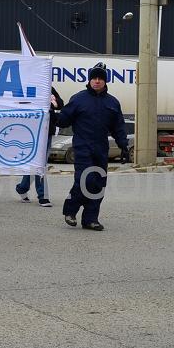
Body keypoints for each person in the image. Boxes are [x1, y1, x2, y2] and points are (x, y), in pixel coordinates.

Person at [57, 62, 129, 231]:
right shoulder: (78, 99)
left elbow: (118, 127)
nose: (97, 81)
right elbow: (64, 119)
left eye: (100, 78)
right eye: (94, 78)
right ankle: (70, 210)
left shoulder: (112, 103)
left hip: (101, 149)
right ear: (89, 80)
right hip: (82, 147)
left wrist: (124, 146)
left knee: (98, 184)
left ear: (105, 82)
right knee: (86, 180)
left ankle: (90, 219)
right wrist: (56, 116)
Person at [16, 86, 65, 207]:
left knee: (40, 163)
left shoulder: (48, 87)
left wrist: (52, 103)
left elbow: (60, 104)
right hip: (31, 130)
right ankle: (40, 194)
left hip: (46, 131)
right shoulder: (27, 87)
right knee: (35, 162)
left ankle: (25, 189)